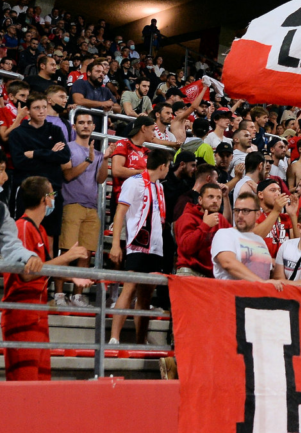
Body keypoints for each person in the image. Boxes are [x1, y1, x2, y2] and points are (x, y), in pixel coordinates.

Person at [2, 177, 87, 380]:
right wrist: (66, 258)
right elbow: (26, 273)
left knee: (41, 385)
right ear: (44, 199)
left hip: (39, 315)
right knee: (24, 387)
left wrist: (71, 275)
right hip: (21, 316)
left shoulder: (41, 229)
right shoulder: (21, 228)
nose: (54, 199)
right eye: (52, 194)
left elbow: (46, 266)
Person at [108, 150, 172, 345]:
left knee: (146, 295)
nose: (168, 170)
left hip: (156, 246)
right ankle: (114, 337)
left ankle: (140, 339)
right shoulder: (134, 182)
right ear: (162, 166)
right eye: (168, 166)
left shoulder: (159, 187)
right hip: (137, 244)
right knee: (129, 289)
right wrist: (115, 244)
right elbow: (120, 212)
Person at [56, 111, 112, 307]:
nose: (85, 125)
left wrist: (104, 160)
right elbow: (68, 175)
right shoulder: (68, 148)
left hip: (91, 208)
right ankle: (59, 295)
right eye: (81, 122)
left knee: (85, 254)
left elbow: (101, 179)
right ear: (74, 127)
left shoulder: (96, 153)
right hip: (71, 205)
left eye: (89, 122)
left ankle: (78, 296)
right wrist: (88, 160)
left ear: (94, 127)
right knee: (66, 252)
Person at [10, 92, 72, 248]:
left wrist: (35, 153)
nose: (42, 111)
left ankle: (47, 271)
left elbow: (64, 156)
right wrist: (51, 154)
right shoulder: (18, 133)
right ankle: (25, 270)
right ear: (28, 111)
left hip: (52, 191)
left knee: (50, 232)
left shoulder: (55, 131)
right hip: (28, 190)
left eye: (44, 107)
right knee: (25, 230)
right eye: (36, 108)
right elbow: (20, 162)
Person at [212, 192, 300, 290]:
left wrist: (298, 284)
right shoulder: (224, 234)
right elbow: (228, 263)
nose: (240, 215)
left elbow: (271, 278)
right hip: (231, 298)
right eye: (237, 210)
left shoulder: (260, 241)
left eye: (245, 211)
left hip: (258, 299)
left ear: (257, 214)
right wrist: (262, 283)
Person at [174, 182, 232, 277]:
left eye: (218, 197)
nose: (215, 201)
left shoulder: (220, 219)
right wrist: (205, 226)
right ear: (200, 200)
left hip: (213, 274)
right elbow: (186, 248)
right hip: (189, 271)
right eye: (210, 197)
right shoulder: (187, 217)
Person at [110, 115, 154, 205]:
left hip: (140, 202)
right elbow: (117, 171)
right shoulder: (123, 144)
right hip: (122, 199)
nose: (154, 134)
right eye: (153, 129)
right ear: (144, 128)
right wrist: (143, 173)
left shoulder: (148, 152)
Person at [254, 179, 297, 258]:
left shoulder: (286, 217)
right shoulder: (253, 215)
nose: (278, 193)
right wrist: (276, 210)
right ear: (260, 194)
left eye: (279, 190)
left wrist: (293, 215)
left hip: (284, 265)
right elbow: (255, 238)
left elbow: (298, 245)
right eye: (273, 190)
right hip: (262, 264)